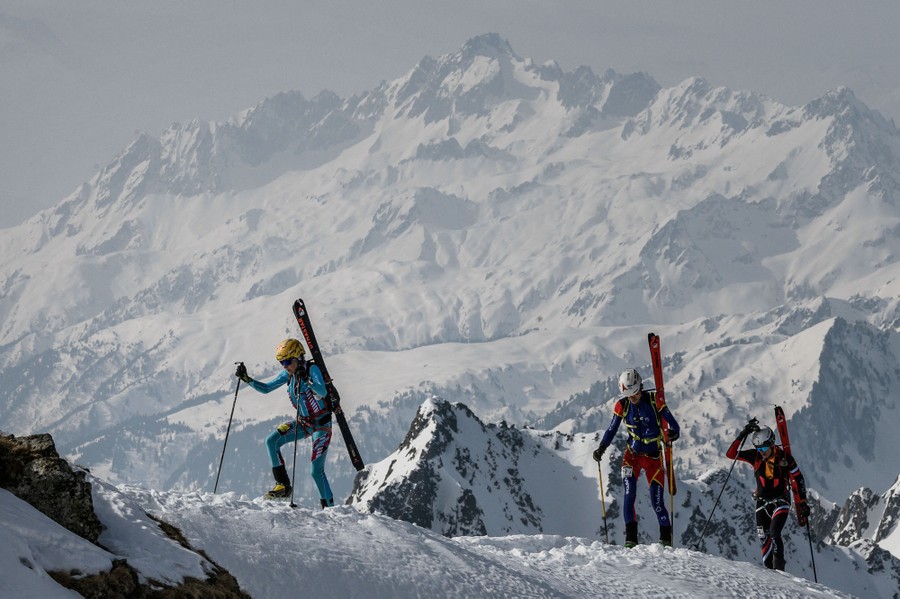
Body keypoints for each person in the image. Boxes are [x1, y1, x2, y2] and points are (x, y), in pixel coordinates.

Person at [235, 338, 335, 508]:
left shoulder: (312, 369)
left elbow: (322, 391)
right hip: (303, 423)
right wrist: (247, 379)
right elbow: (267, 389)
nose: (285, 366)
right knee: (271, 441)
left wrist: (307, 380)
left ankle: (330, 509)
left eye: (287, 361)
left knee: (316, 471)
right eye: (282, 362)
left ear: (297, 357)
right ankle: (283, 486)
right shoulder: (289, 374)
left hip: (321, 425)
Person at [592, 368, 680, 547]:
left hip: (653, 459)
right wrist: (601, 448)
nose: (634, 398)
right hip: (631, 456)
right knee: (628, 495)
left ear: (641, 387)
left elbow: (674, 424)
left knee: (657, 502)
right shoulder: (622, 406)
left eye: (636, 393)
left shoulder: (655, 400)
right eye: (630, 396)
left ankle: (666, 541)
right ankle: (630, 541)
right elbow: (611, 429)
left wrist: (673, 433)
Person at [726, 419, 809, 571]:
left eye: (763, 448)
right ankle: (769, 574)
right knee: (764, 538)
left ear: (771, 444)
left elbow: (798, 478)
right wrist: (742, 434)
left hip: (781, 501)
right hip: (762, 502)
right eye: (758, 449)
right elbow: (731, 454)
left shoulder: (785, 458)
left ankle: (780, 572)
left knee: (774, 532)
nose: (761, 452)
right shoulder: (755, 456)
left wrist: (802, 502)